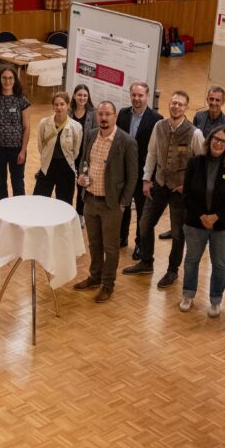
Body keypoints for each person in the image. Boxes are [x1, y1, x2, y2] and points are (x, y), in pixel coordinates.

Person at [122, 91, 205, 288]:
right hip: (158, 184)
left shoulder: (195, 133)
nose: (176, 106)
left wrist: (189, 185)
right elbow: (151, 154)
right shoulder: (159, 126)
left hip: (180, 191)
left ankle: (172, 270)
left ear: (186, 108)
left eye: (180, 104)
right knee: (144, 224)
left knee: (178, 233)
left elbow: (202, 164)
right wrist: (145, 180)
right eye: (173, 103)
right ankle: (146, 262)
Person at [73, 102, 138, 303]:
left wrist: (124, 203)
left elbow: (132, 175)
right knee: (94, 244)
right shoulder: (91, 134)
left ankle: (108, 285)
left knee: (110, 248)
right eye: (100, 114)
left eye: (107, 114)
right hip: (90, 199)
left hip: (112, 204)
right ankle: (95, 277)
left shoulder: (126, 142)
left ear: (115, 116)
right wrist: (81, 177)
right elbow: (84, 162)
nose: (103, 118)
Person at [179, 125, 225, 317]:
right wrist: (202, 216)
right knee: (191, 260)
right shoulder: (195, 162)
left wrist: (215, 216)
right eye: (215, 138)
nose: (218, 143)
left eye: (223, 141)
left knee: (220, 264)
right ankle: (188, 294)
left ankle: (215, 300)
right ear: (209, 139)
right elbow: (187, 194)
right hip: (196, 222)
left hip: (222, 226)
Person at [117, 81, 162, 256]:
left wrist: (150, 178)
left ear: (147, 96)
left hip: (144, 173)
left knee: (143, 211)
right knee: (123, 205)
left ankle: (140, 244)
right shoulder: (123, 114)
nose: (136, 98)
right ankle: (122, 237)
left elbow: (156, 151)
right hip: (124, 170)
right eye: (134, 95)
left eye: (140, 95)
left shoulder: (156, 119)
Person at [0, 67, 31, 201]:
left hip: (16, 149)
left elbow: (27, 127)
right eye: (4, 78)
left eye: (10, 78)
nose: (7, 81)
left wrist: (23, 151)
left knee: (17, 182)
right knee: (0, 182)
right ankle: (2, 212)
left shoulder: (21, 100)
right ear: (0, 79)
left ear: (15, 80)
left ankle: (19, 212)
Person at [33, 91, 82, 204]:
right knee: (39, 201)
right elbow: (41, 146)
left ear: (68, 105)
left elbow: (76, 150)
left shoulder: (76, 126)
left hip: (66, 168)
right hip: (48, 166)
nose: (59, 107)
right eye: (56, 104)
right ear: (53, 106)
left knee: (64, 203)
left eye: (62, 104)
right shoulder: (44, 123)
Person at [69, 84, 96, 220]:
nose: (82, 98)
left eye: (85, 95)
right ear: (74, 96)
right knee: (68, 182)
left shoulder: (93, 113)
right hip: (69, 152)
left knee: (82, 184)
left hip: (85, 154)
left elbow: (96, 134)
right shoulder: (69, 111)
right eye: (79, 95)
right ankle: (67, 211)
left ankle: (80, 214)